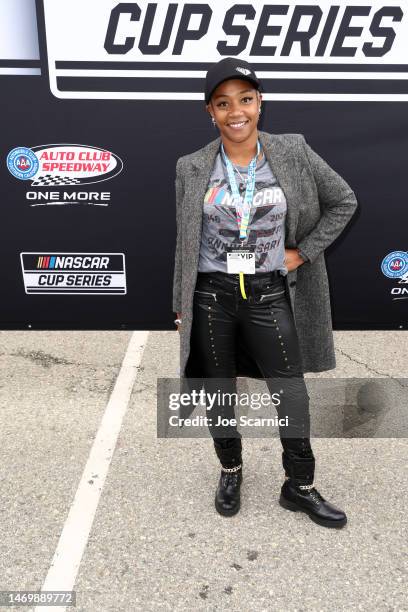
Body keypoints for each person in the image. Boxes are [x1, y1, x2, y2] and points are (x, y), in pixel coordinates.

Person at [172, 57, 358, 528]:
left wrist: (304, 252)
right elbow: (185, 241)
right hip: (210, 294)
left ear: (260, 103)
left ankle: (299, 486)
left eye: (246, 99)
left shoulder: (292, 152)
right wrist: (181, 306)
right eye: (223, 103)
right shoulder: (192, 166)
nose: (237, 112)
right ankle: (231, 471)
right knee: (217, 391)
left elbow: (344, 201)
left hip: (270, 293)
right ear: (210, 112)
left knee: (291, 392)